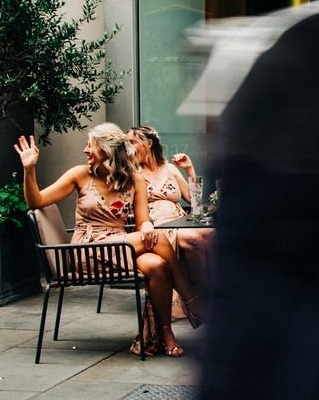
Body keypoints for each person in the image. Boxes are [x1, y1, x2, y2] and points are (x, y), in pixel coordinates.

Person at [15, 125, 191, 357]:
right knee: (159, 238)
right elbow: (35, 202)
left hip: (119, 246)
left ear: (107, 150)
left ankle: (165, 332)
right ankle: (188, 293)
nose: (85, 150)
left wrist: (148, 226)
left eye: (91, 145)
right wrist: (29, 169)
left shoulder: (135, 179)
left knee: (157, 265)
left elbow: (142, 223)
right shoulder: (79, 174)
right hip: (87, 250)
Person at [129, 124, 211, 326]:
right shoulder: (132, 173)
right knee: (194, 239)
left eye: (132, 141)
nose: (128, 147)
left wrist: (189, 169)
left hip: (181, 220)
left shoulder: (170, 169)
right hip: (157, 226)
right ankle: (205, 297)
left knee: (213, 234)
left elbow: (194, 201)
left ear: (149, 143)